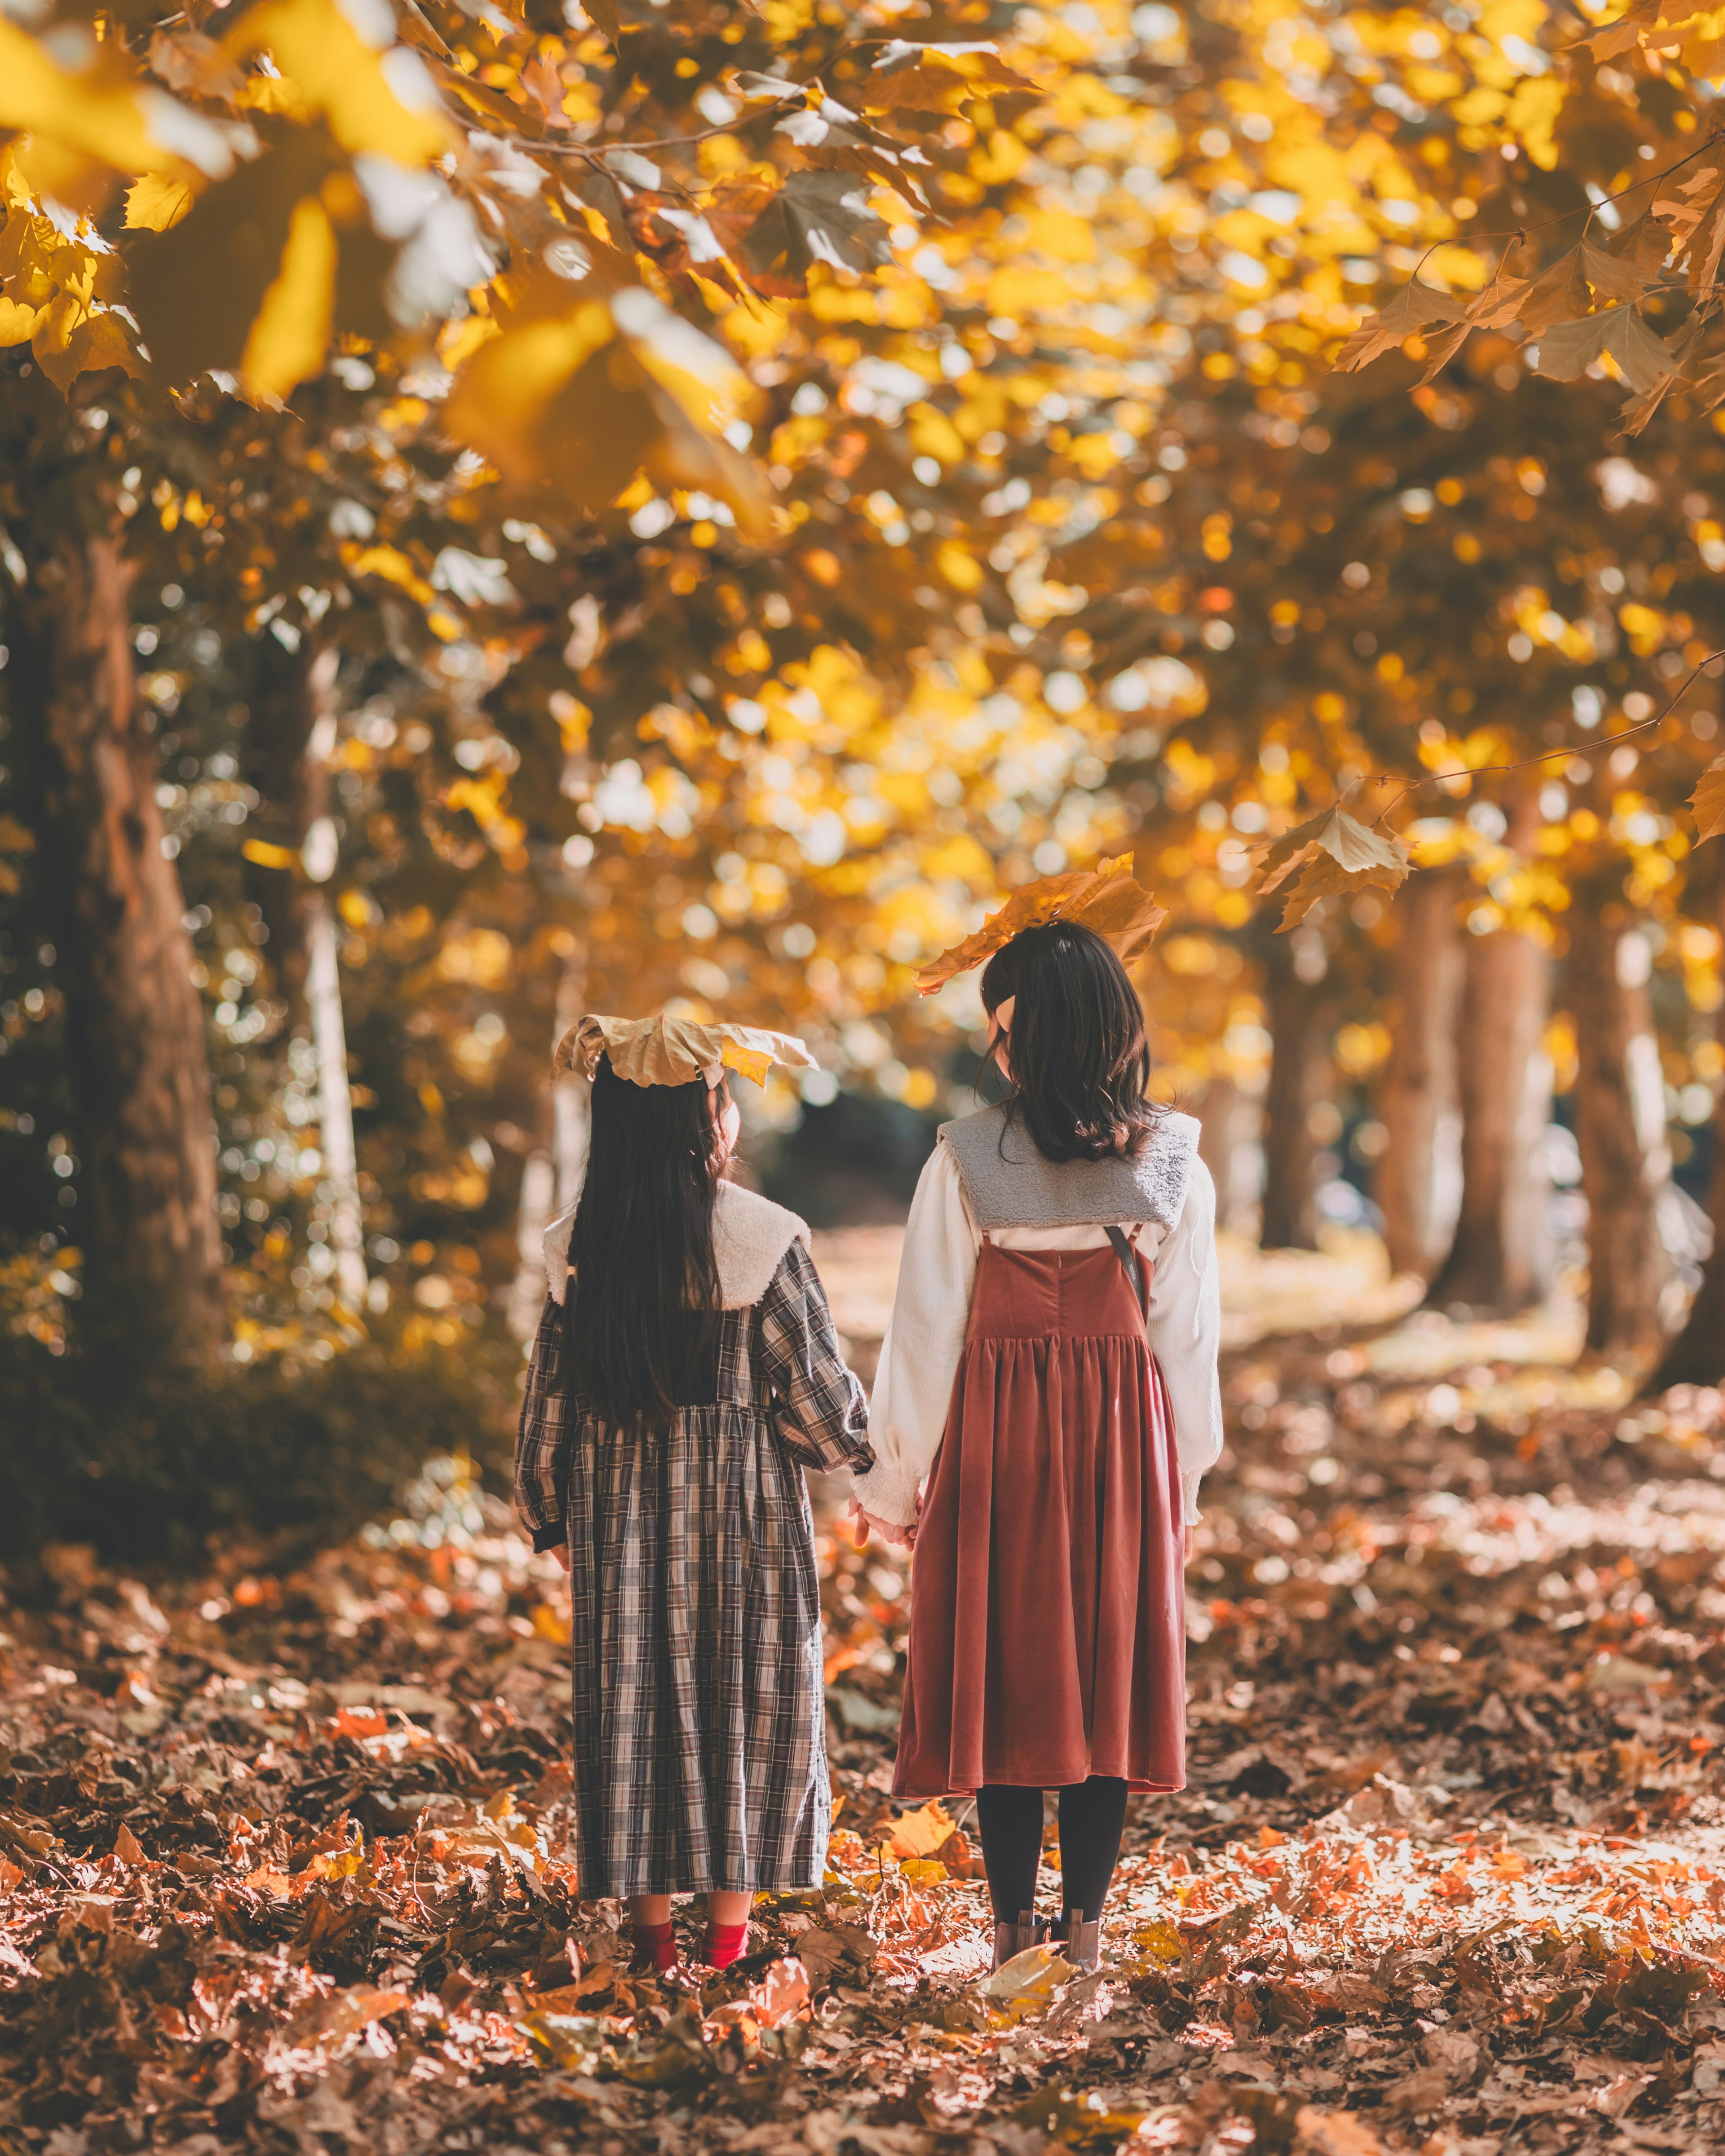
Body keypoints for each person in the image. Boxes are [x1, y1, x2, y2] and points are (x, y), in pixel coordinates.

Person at [849, 878, 1221, 1974]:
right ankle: (1088, 1936)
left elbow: (924, 1336)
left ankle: (1012, 1932)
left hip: (998, 1442)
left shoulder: (963, 1159)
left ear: (1023, 1035)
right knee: (1104, 1676)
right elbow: (1185, 1341)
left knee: (1009, 1673)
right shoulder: (1172, 1163)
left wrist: (895, 1483)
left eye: (999, 1029)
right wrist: (1184, 1482)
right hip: (1121, 1443)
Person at [514, 1012, 873, 1975]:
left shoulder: (578, 1249)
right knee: (741, 1704)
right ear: (703, 1121)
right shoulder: (762, 1239)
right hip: (744, 1523)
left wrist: (548, 1510)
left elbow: (548, 1402)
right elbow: (816, 1410)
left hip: (622, 1517)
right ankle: (728, 1941)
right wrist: (866, 1444)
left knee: (639, 1709)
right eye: (722, 1099)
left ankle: (651, 1940)